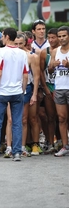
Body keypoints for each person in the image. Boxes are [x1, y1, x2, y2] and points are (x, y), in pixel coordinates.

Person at [0, 28, 29, 162]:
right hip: (17, 91)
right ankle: (17, 153)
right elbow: (25, 75)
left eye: (2, 36)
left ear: (6, 37)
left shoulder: (0, 52)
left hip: (2, 91)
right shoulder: (22, 53)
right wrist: (22, 90)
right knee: (17, 123)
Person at [47, 26, 69, 157]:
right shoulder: (55, 51)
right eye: (59, 36)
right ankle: (65, 146)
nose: (61, 39)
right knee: (61, 118)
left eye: (64, 36)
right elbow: (49, 70)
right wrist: (52, 65)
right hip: (59, 87)